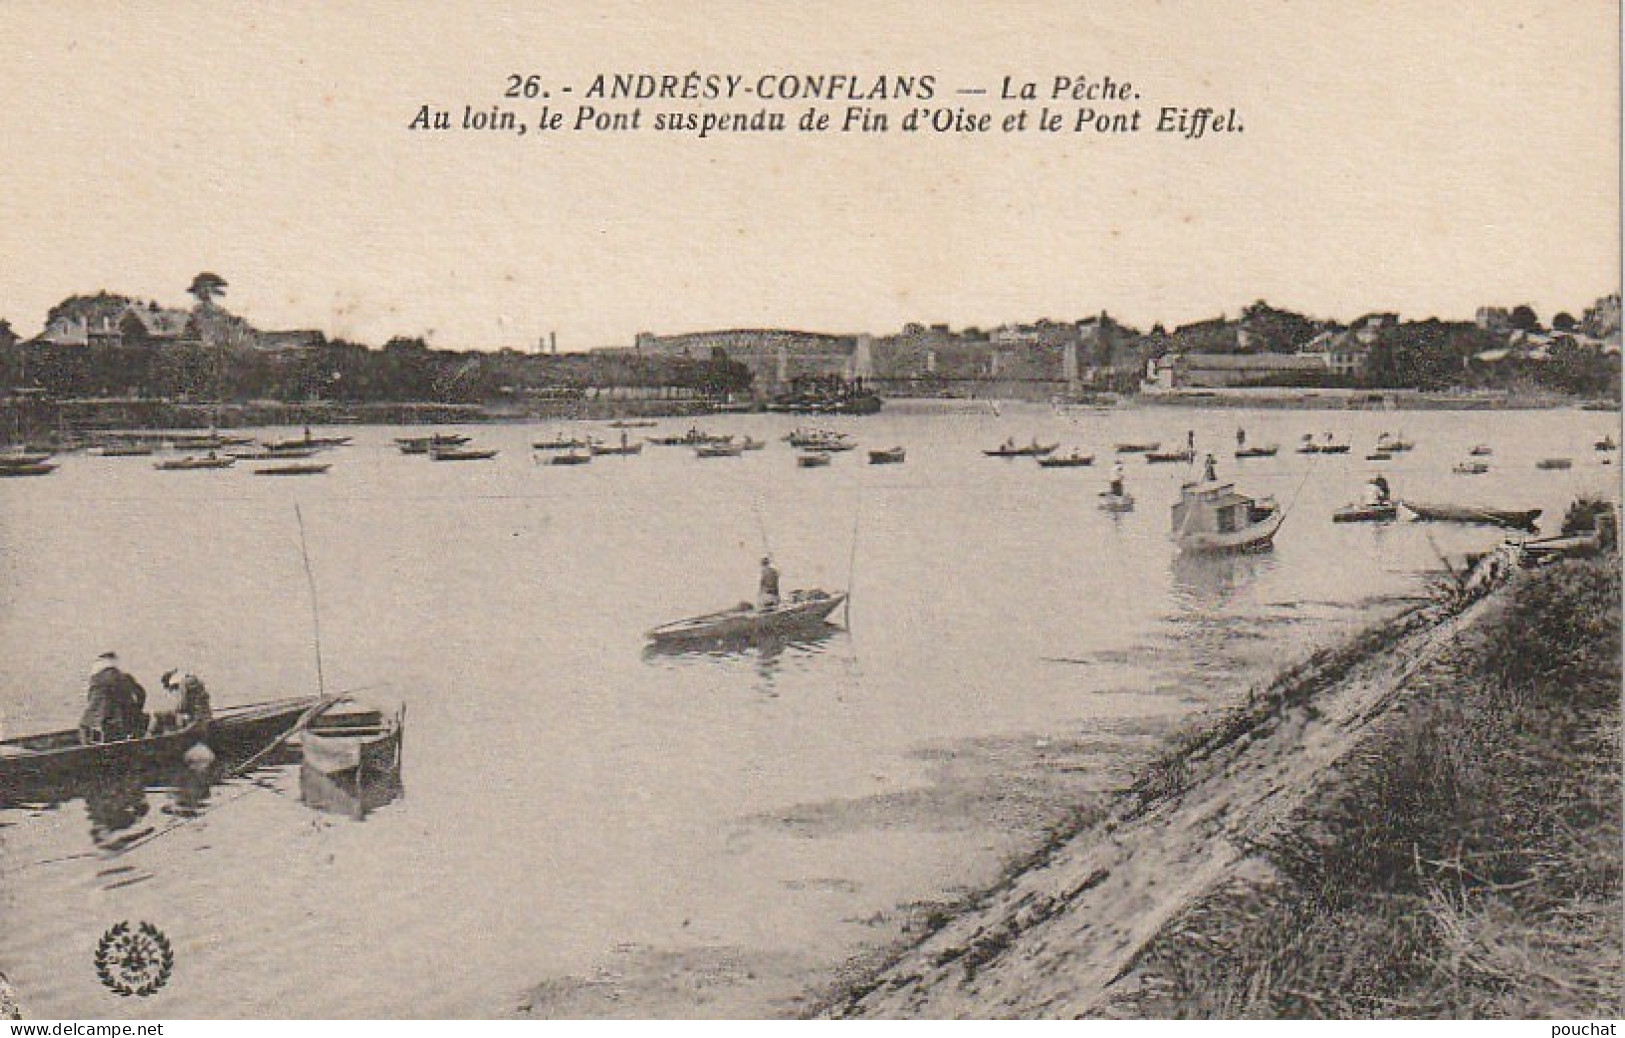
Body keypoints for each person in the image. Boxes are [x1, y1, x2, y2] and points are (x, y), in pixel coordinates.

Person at [79, 652, 148, 744]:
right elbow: (141, 694)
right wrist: (137, 710)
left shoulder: (95, 681)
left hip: (91, 723)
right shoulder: (123, 677)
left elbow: (90, 701)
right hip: (117, 723)